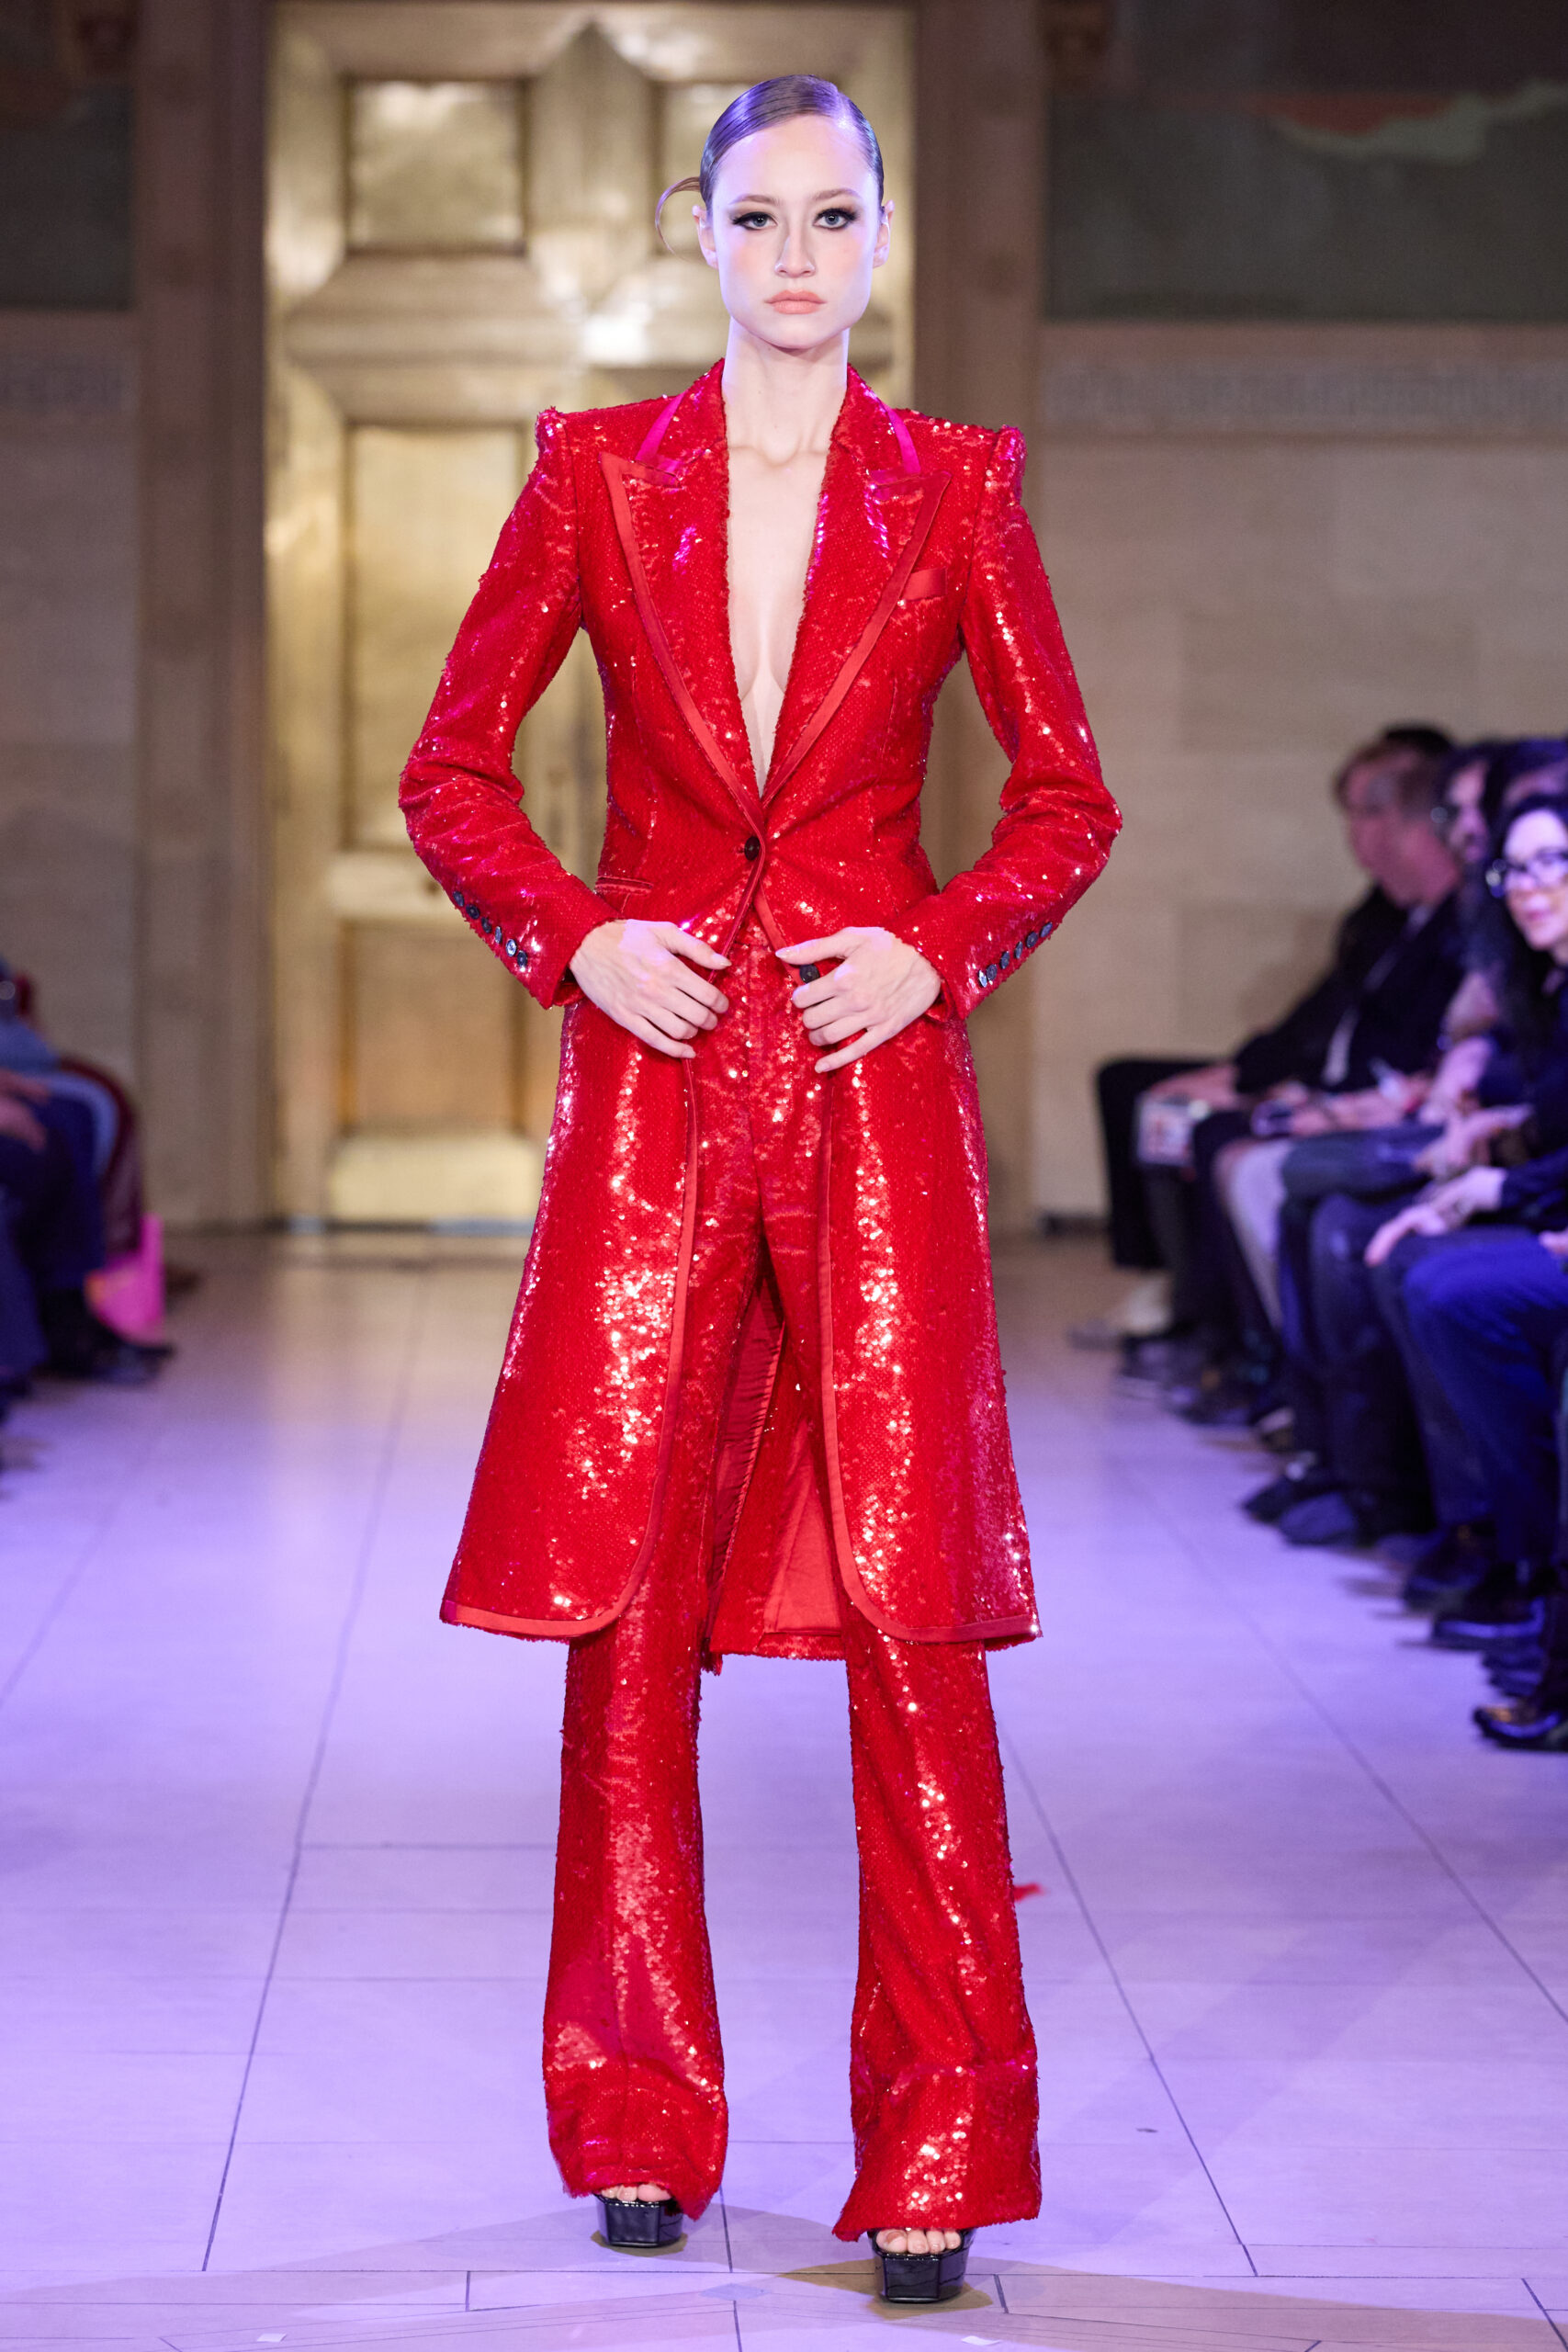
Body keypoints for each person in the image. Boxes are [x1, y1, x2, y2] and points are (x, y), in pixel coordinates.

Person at [400, 77, 1119, 2307]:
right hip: (654, 1088)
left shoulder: (956, 487)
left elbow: (1065, 800)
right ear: (695, 233)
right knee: (623, 1617)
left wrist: (936, 945)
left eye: (829, 216)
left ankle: (934, 2148)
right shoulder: (597, 475)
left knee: (914, 1612)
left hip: (868, 1089)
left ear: (878, 234)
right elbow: (449, 770)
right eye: (756, 216)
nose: (794, 255)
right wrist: (571, 931)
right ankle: (636, 2114)